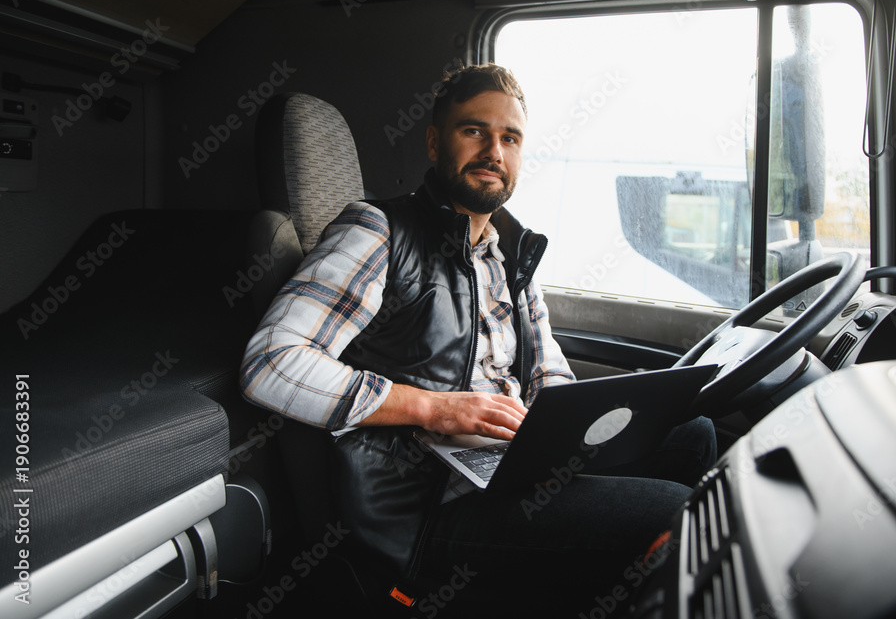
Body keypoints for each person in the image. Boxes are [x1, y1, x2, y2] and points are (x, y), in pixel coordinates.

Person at [240, 63, 716, 616]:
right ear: (434, 142)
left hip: (510, 463)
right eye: (474, 131)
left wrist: (565, 436)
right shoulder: (377, 231)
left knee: (695, 436)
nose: (494, 151)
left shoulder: (513, 252)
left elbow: (547, 369)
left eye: (510, 138)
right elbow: (269, 362)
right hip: (426, 507)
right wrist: (433, 408)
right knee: (677, 512)